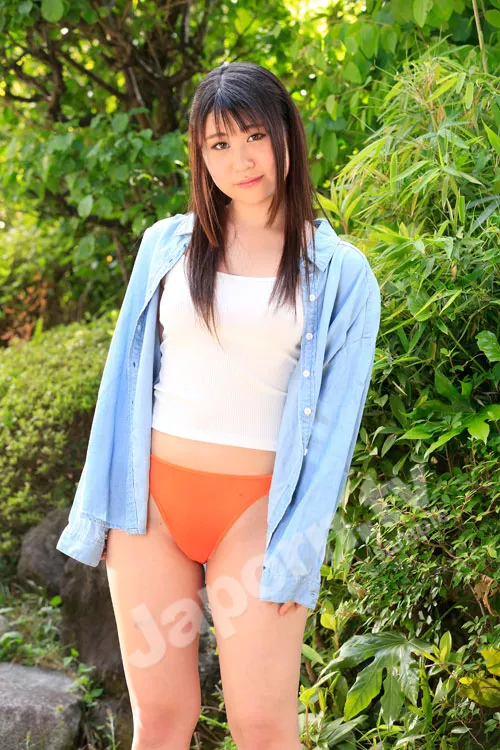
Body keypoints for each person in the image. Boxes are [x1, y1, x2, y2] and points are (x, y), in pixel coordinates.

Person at [56, 61, 381, 749]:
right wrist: (101, 507)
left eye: (255, 136)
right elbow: (121, 383)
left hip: (256, 519)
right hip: (150, 508)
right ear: (201, 156)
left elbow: (336, 432)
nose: (241, 160)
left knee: (261, 727)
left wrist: (300, 550)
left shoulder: (341, 272)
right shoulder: (167, 246)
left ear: (286, 136)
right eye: (220, 144)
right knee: (161, 721)